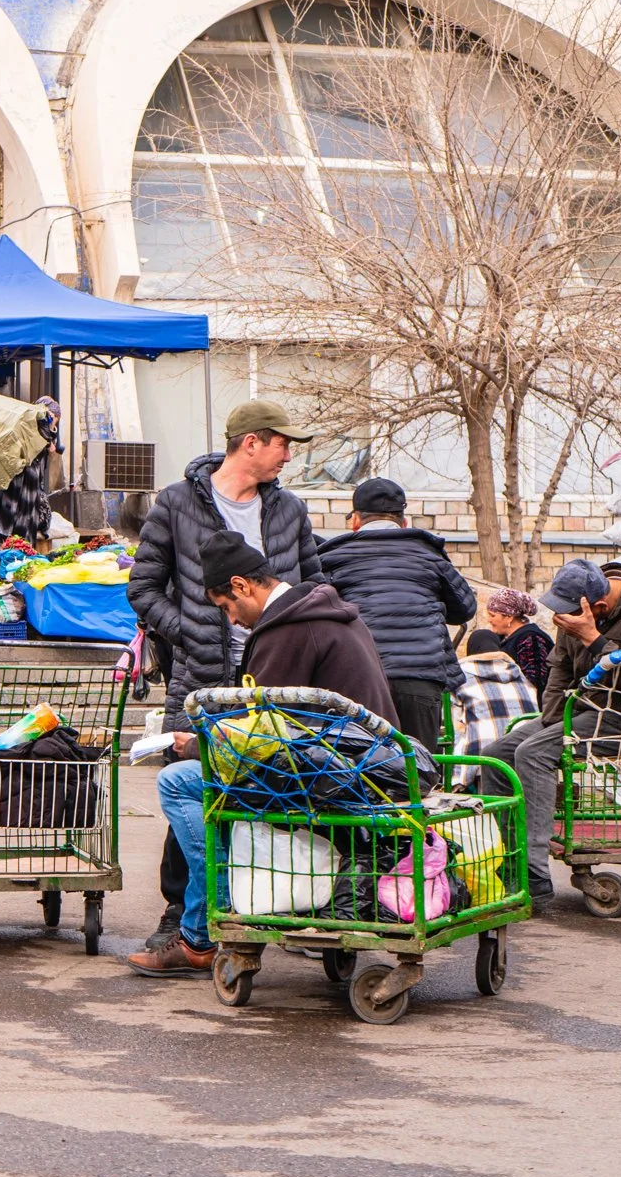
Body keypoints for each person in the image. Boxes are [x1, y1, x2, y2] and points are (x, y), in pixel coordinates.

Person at [127, 530, 396, 979]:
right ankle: (205, 926)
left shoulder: (287, 630)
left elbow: (263, 738)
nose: (232, 621)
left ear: (241, 585)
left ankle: (205, 930)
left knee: (178, 781)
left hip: (336, 778)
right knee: (202, 778)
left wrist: (190, 744)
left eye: (228, 608)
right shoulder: (324, 612)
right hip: (365, 765)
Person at [127, 398, 322, 954]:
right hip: (202, 679)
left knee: (279, 785)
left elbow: (314, 583)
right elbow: (142, 590)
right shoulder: (176, 503)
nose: (289, 455)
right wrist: (188, 632)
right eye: (283, 443)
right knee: (192, 788)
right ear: (252, 442)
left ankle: (281, 903)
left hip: (277, 675)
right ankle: (179, 914)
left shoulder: (289, 511)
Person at [476, 558, 621, 902]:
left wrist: (593, 638)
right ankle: (511, 859)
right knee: (497, 754)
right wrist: (553, 724)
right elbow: (558, 672)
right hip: (582, 712)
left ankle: (534, 872)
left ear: (596, 607)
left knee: (534, 753)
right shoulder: (574, 611)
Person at [316, 477, 477, 748]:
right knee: (418, 769)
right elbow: (465, 609)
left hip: (359, 678)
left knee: (363, 771)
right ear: (404, 522)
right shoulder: (430, 556)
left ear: (355, 521)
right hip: (420, 678)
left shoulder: (332, 557)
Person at [452, 628, 539, 789]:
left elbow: (456, 727)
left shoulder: (461, 676)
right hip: (526, 752)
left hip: (483, 757)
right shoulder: (520, 675)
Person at [0, 396, 60, 544]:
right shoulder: (34, 425)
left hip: (20, 477)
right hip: (22, 477)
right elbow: (47, 444)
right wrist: (50, 429)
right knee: (15, 518)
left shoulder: (32, 424)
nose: (55, 421)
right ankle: (7, 552)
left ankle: (4, 550)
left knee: (10, 517)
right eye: (55, 417)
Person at [487, 588, 553, 695]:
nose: (489, 620)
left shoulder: (530, 639)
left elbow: (536, 681)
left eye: (492, 615)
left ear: (509, 617)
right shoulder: (506, 637)